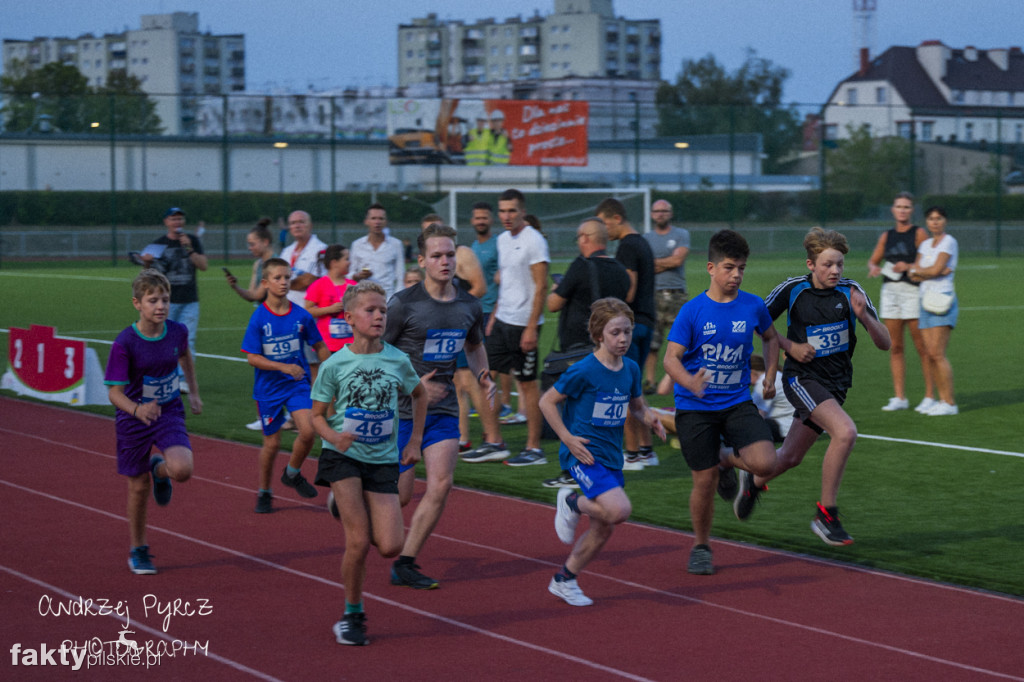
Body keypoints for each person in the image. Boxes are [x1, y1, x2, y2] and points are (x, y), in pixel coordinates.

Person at [742, 227, 891, 546]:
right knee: (845, 432)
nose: (835, 270)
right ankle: (826, 515)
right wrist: (790, 347)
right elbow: (759, 325)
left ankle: (753, 481)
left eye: (839, 264)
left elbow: (885, 342)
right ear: (811, 264)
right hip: (802, 379)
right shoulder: (793, 289)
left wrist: (864, 316)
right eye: (827, 264)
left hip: (837, 384)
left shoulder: (851, 291)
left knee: (791, 455)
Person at [310, 281, 429, 646]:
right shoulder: (335, 364)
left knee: (391, 545)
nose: (379, 316)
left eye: (383, 310)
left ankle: (340, 503)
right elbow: (316, 417)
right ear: (348, 318)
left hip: (382, 460)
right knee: (359, 541)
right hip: (343, 457)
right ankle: (353, 613)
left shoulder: (397, 359)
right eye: (370, 310)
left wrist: (414, 441)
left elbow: (419, 394)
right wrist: (335, 438)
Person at [662, 230, 781, 575]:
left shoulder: (752, 305)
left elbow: (771, 338)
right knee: (704, 481)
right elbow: (671, 359)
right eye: (729, 268)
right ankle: (701, 545)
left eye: (741, 268)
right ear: (711, 268)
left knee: (766, 462)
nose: (736, 275)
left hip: (735, 403)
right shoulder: (692, 311)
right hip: (695, 407)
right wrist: (689, 381)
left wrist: (771, 374)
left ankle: (727, 460)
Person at [383, 224, 496, 590]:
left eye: (450, 254)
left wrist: (483, 375)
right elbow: (373, 356)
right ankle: (349, 499)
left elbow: (474, 345)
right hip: (399, 411)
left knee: (441, 483)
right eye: (436, 256)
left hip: (443, 410)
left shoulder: (468, 304)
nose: (445, 261)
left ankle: (406, 562)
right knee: (398, 497)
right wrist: (413, 386)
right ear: (422, 261)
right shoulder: (403, 304)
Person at [543, 298, 667, 605]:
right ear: (599, 335)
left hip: (611, 457)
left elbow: (637, 406)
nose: (623, 338)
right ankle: (572, 501)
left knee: (603, 529)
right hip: (583, 454)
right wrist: (567, 438)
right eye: (615, 332)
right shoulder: (583, 371)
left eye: (627, 331)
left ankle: (564, 579)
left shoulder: (631, 369)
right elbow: (546, 402)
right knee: (619, 510)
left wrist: (651, 419)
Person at [104, 269, 202, 574]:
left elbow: (185, 357)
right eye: (153, 300)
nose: (160, 306)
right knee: (137, 487)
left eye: (165, 299)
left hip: (168, 409)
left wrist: (194, 393)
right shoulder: (125, 343)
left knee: (183, 469)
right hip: (134, 417)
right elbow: (114, 393)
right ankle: (139, 549)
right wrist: (137, 410)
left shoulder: (176, 332)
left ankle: (161, 470)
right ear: (137, 303)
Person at [541, 217, 630, 488]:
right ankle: (598, 467)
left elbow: (554, 304)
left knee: (575, 414)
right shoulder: (619, 270)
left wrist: (558, 288)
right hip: (610, 350)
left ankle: (573, 471)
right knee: (600, 416)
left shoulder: (581, 266)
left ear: (585, 238)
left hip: (580, 349)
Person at [241, 258, 330, 514]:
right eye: (278, 278)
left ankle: (292, 473)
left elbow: (319, 345)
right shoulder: (259, 318)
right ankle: (265, 490)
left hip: (296, 384)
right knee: (272, 445)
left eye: (287, 278)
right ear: (266, 283)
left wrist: (335, 367)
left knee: (308, 430)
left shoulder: (301, 315)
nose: (284, 282)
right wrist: (282, 367)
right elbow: (252, 357)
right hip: (268, 389)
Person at [473, 189, 550, 466]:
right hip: (502, 320)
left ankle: (534, 448)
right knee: (486, 379)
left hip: (524, 325)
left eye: (511, 211)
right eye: (502, 211)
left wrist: (531, 327)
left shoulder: (535, 241)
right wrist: (494, 315)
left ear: (522, 212)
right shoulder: (502, 240)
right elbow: (504, 281)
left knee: (528, 386)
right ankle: (494, 441)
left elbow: (542, 286)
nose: (506, 216)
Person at [598, 198, 657, 469]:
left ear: (616, 218)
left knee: (624, 391)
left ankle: (632, 454)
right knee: (636, 390)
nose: (603, 229)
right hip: (647, 320)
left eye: (604, 222)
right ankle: (647, 449)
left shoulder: (627, 246)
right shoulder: (643, 242)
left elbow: (629, 290)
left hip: (632, 324)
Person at [867, 192, 935, 413]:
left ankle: (929, 396)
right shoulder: (887, 235)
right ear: (893, 210)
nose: (902, 210)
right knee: (895, 347)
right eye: (899, 206)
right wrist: (874, 268)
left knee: (922, 347)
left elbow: (927, 260)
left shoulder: (919, 233)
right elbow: (874, 259)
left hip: (913, 291)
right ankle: (900, 397)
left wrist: (908, 265)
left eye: (906, 207)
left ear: (912, 210)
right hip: (891, 292)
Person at [140, 207, 208, 389]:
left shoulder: (192, 240)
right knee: (165, 339)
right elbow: (149, 275)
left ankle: (184, 380)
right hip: (167, 301)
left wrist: (189, 248)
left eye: (180, 219)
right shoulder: (158, 244)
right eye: (173, 219)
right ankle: (166, 377)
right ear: (166, 222)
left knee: (188, 339)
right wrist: (146, 262)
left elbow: (203, 266)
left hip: (190, 300)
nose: (177, 223)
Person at [908, 206, 959, 416]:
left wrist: (923, 272)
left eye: (939, 218)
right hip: (925, 300)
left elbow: (937, 269)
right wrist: (929, 272)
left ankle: (949, 402)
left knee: (938, 354)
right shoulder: (926, 244)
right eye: (931, 219)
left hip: (942, 301)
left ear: (945, 221)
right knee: (929, 354)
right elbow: (914, 274)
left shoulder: (949, 241)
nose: (935, 222)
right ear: (926, 222)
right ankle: (940, 399)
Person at [644, 200, 690, 393]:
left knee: (682, 341)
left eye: (664, 211)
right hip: (652, 295)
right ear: (652, 214)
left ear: (670, 214)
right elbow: (645, 265)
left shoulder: (681, 234)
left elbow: (678, 259)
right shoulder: (646, 238)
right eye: (657, 211)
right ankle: (650, 382)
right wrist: (667, 261)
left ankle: (677, 381)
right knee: (652, 343)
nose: (660, 214)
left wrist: (656, 263)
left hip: (677, 294)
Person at [280, 210, 329, 381]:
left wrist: (284, 282)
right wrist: (295, 281)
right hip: (288, 313)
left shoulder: (321, 250)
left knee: (313, 364)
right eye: (293, 223)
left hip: (311, 316)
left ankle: (317, 405)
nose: (297, 226)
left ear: (310, 225)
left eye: (301, 222)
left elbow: (312, 281)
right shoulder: (286, 252)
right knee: (291, 361)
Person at [305, 245, 357, 353]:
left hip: (351, 345)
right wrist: (329, 309)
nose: (350, 262)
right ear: (334, 263)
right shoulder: (318, 285)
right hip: (327, 346)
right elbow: (307, 311)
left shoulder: (353, 285)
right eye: (346, 259)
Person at [350, 203, 405, 300]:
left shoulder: (396, 244)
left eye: (381, 218)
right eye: (373, 218)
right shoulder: (357, 245)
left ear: (386, 222)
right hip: (363, 297)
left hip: (387, 298)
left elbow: (400, 275)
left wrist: (397, 300)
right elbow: (350, 273)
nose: (377, 222)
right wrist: (358, 275)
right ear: (366, 221)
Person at [225, 217, 275, 304]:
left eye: (252, 244)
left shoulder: (274, 264)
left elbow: (258, 296)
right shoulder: (258, 264)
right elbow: (251, 295)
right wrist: (235, 286)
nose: (249, 248)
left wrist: (236, 288)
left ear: (265, 242)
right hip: (262, 313)